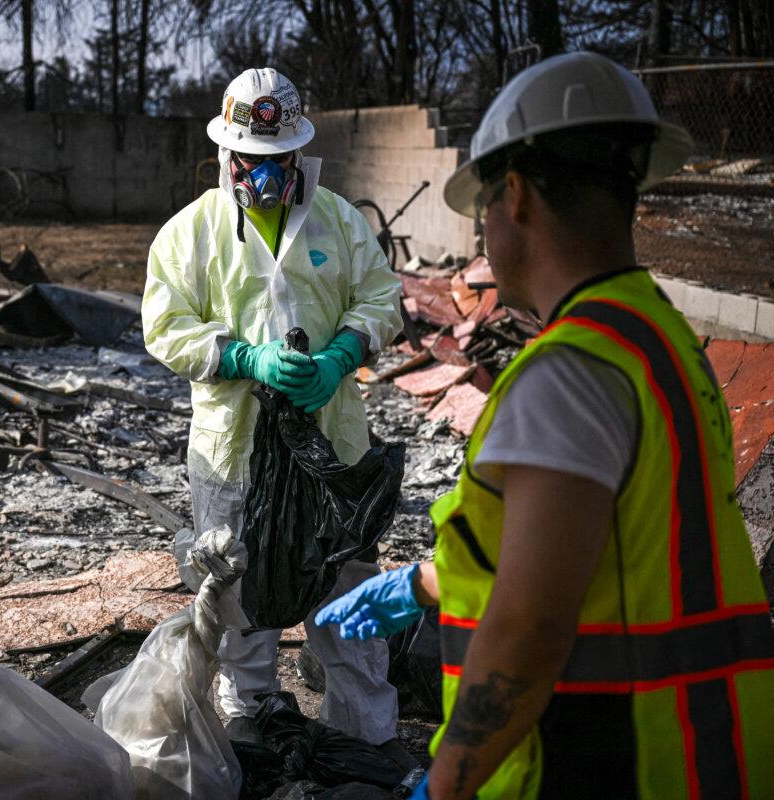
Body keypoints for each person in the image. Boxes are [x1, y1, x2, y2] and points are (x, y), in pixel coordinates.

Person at [316, 52, 774, 799]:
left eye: (484, 209)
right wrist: (428, 583)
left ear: (517, 198)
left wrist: (447, 783)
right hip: (703, 747)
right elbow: (601, 550)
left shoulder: (563, 376)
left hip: (602, 763)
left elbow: (529, 627)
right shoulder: (662, 343)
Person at [142, 67, 404, 746]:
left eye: (273, 161)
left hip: (333, 447)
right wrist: (241, 358)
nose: (260, 174)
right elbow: (164, 329)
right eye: (248, 161)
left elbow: (381, 298)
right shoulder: (189, 233)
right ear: (227, 156)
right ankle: (249, 721)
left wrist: (341, 357)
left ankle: (364, 738)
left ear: (297, 155)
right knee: (239, 602)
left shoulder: (339, 220)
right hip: (233, 450)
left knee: (347, 591)